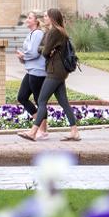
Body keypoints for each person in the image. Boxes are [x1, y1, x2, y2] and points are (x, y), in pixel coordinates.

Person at [18, 8, 81, 142]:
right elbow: (43, 49)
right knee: (63, 102)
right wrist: (47, 50)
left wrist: (47, 50)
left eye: (46, 16)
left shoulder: (54, 32)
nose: (44, 18)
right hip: (59, 72)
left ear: (52, 18)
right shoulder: (57, 31)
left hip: (54, 72)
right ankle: (74, 132)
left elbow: (44, 52)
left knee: (41, 100)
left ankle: (33, 132)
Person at [15, 11, 48, 137]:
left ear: (36, 21)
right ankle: (40, 127)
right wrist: (22, 58)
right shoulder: (31, 34)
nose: (27, 19)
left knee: (39, 101)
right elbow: (29, 54)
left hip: (38, 72)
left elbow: (34, 53)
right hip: (31, 70)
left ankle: (43, 130)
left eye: (29, 18)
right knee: (22, 97)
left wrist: (24, 55)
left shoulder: (38, 34)